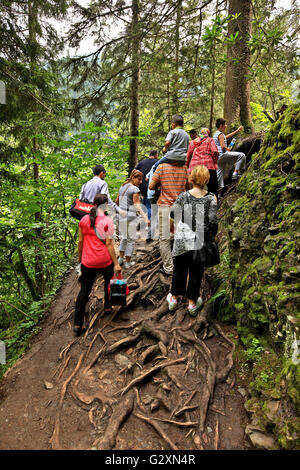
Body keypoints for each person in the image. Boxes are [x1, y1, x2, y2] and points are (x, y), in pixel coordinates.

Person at [166, 165, 218, 316]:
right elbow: (213, 221)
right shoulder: (210, 198)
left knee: (179, 268)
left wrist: (175, 229)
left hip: (182, 237)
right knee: (196, 270)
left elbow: (172, 216)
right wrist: (211, 236)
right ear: (206, 179)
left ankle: (174, 300)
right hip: (200, 238)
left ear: (191, 178)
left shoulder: (183, 196)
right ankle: (192, 303)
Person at [73, 193, 122, 336]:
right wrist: (116, 263)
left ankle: (77, 324)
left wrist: (80, 259)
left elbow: (80, 242)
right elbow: (109, 244)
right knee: (108, 282)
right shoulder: (107, 221)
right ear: (106, 205)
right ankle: (108, 306)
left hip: (88, 262)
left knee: (84, 291)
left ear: (93, 204)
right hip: (104, 260)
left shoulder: (83, 220)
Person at [149, 156, 188, 276]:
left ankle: (169, 267)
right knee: (180, 236)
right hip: (180, 206)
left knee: (164, 238)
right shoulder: (185, 168)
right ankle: (181, 266)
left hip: (164, 205)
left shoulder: (161, 167)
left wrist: (161, 184)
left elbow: (151, 186)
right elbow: (188, 187)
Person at [117, 169, 150, 269]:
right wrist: (145, 218)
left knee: (124, 237)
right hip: (130, 216)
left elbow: (117, 201)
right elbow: (137, 205)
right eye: (139, 179)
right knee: (131, 240)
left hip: (121, 215)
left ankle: (120, 259)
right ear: (133, 178)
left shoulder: (122, 187)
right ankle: (127, 262)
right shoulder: (135, 190)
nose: (140, 182)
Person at [213, 118, 246, 190]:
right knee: (241, 155)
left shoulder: (216, 134)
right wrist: (228, 149)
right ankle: (235, 173)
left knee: (219, 172)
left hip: (217, 157)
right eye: (225, 124)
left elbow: (226, 136)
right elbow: (222, 147)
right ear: (221, 125)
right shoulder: (220, 135)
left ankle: (219, 189)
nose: (226, 125)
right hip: (222, 155)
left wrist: (237, 131)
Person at [186, 128, 219, 197]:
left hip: (194, 167)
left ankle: (194, 204)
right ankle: (213, 203)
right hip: (208, 165)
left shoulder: (193, 142)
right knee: (213, 186)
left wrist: (187, 166)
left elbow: (188, 155)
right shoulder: (210, 140)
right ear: (208, 133)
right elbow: (215, 152)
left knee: (194, 188)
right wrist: (215, 162)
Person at [135, 150, 159, 232]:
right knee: (151, 206)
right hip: (153, 186)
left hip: (142, 186)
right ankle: (149, 224)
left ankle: (144, 222)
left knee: (146, 204)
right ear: (156, 155)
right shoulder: (157, 162)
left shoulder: (142, 162)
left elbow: (135, 171)